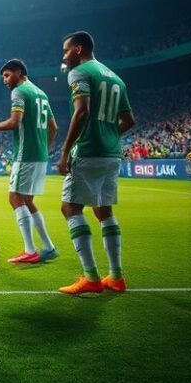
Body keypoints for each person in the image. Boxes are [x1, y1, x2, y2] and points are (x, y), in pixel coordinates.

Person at [57, 31, 135, 295]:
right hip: (112, 153)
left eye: (66, 50)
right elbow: (129, 120)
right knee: (104, 210)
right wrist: (109, 135)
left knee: (70, 208)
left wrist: (65, 152)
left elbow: (82, 110)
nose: (64, 55)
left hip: (88, 150)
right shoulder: (117, 78)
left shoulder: (79, 73)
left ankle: (90, 277)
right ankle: (116, 276)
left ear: (79, 49)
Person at [0, 59, 58, 263]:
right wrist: (45, 149)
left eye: (7, 75)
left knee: (14, 198)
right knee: (28, 200)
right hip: (39, 155)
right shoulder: (41, 93)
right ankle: (48, 247)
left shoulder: (19, 92)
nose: (4, 80)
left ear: (18, 72)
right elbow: (53, 126)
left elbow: (14, 122)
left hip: (25, 154)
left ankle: (30, 249)